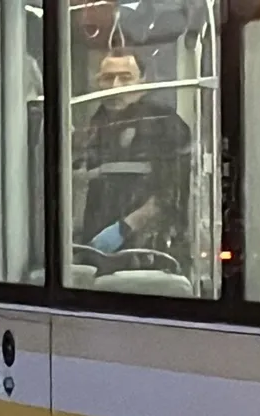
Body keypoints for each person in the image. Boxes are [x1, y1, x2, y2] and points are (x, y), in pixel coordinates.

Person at [77, 48, 194, 274]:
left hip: (151, 250)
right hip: (95, 246)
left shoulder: (163, 122)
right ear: (98, 82)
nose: (115, 86)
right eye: (108, 78)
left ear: (143, 82)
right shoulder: (93, 126)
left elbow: (173, 191)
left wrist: (124, 228)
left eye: (125, 78)